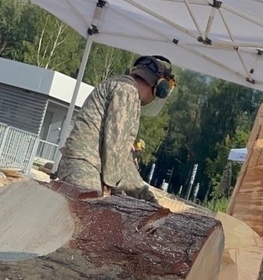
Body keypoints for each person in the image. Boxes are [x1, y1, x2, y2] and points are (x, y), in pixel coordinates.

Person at [56, 55, 175, 202]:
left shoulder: (122, 86)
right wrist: (111, 186)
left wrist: (145, 196)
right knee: (90, 217)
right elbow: (115, 148)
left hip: (84, 164)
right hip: (84, 167)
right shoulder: (127, 91)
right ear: (159, 86)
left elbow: (123, 159)